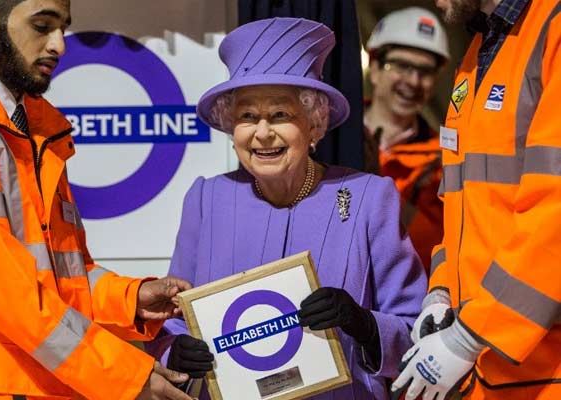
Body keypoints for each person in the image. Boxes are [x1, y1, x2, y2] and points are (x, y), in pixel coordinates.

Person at [0, 1, 196, 399]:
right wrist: (125, 376)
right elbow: (5, 290)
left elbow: (65, 278)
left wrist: (130, 300)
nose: (59, 45)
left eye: (63, 28)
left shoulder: (39, 131)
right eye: (43, 26)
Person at [145, 17, 428, 400]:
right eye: (247, 116)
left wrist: (363, 324)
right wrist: (174, 350)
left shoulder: (368, 198)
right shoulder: (206, 199)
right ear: (232, 129)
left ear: (313, 125)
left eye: (280, 115)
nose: (262, 133)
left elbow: (415, 331)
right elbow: (176, 317)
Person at [391, 0, 561, 399]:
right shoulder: (479, 51)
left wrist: (469, 337)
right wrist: (441, 292)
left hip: (544, 367)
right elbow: (463, 203)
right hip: (485, 366)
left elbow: (554, 213)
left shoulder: (552, 29)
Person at [363, 7, 449, 273]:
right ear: (375, 68)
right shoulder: (328, 136)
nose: (413, 81)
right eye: (402, 66)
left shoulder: (446, 161)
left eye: (425, 71)